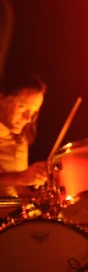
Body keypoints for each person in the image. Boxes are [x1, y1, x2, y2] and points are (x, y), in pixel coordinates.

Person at [0, 70, 47, 207]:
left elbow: (14, 191)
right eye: (23, 107)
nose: (28, 118)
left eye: (33, 112)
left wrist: (36, 194)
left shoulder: (21, 138)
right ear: (2, 98)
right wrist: (21, 177)